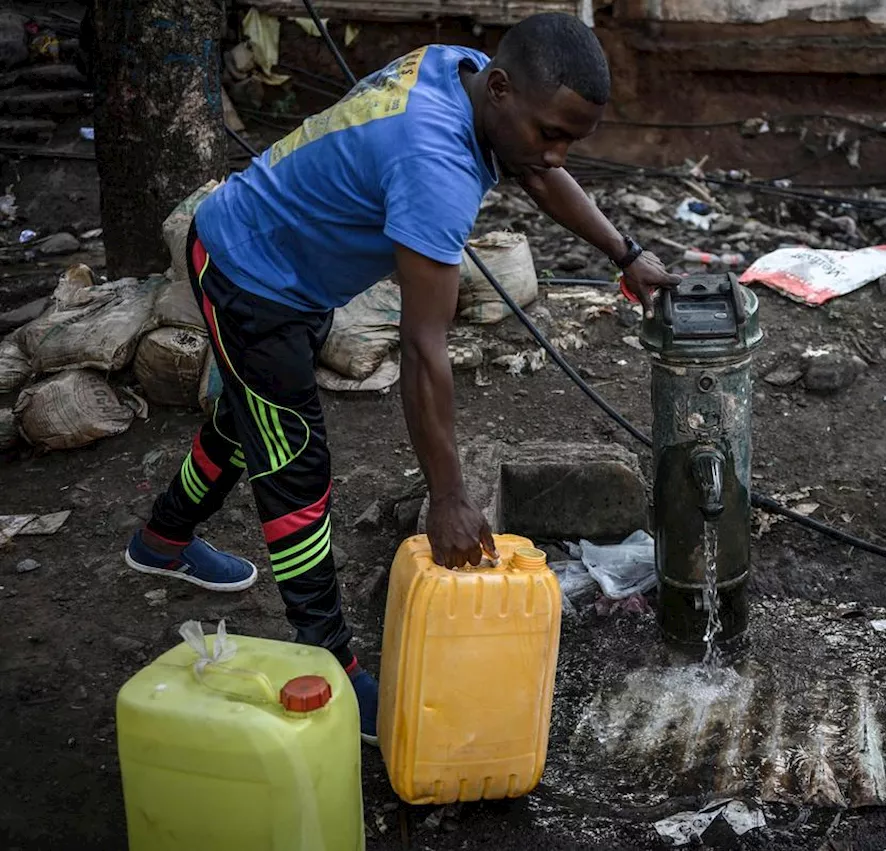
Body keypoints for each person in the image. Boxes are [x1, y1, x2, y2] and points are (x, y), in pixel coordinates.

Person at [123, 12, 679, 745]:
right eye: (552, 132)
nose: (558, 152)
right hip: (247, 270)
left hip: (284, 266)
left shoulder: (464, 70)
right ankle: (326, 652)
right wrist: (448, 496)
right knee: (295, 457)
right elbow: (423, 348)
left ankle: (162, 538)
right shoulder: (435, 165)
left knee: (248, 418)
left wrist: (625, 251)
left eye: (572, 138)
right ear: (504, 90)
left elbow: (537, 170)